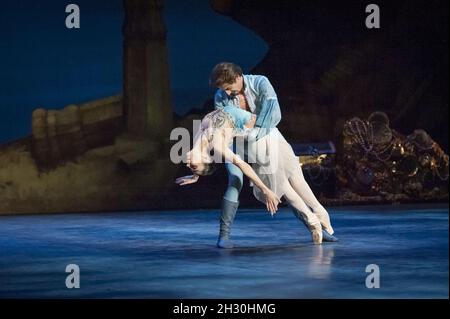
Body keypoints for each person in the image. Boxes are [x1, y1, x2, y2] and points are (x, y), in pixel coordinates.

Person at [176, 62, 338, 248]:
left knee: (291, 176)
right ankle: (224, 235)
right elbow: (214, 151)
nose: (226, 93)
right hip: (238, 141)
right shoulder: (219, 103)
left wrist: (197, 172)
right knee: (241, 181)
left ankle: (317, 220)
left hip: (262, 133)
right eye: (223, 90)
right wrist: (198, 172)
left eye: (228, 88)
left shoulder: (260, 83)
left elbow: (273, 114)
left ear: (238, 78)